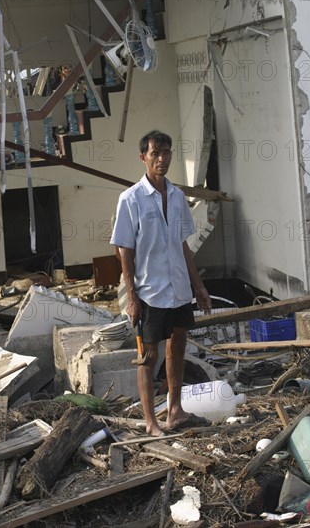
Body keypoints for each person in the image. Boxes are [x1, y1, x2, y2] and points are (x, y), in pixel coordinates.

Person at [110, 130, 212, 436]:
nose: (162, 159)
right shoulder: (130, 199)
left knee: (177, 347)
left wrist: (199, 287)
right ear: (144, 157)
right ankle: (150, 422)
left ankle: (175, 411)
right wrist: (131, 296)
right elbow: (123, 250)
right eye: (155, 153)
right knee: (148, 356)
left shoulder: (178, 196)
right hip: (149, 291)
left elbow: (183, 246)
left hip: (178, 288)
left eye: (166, 152)